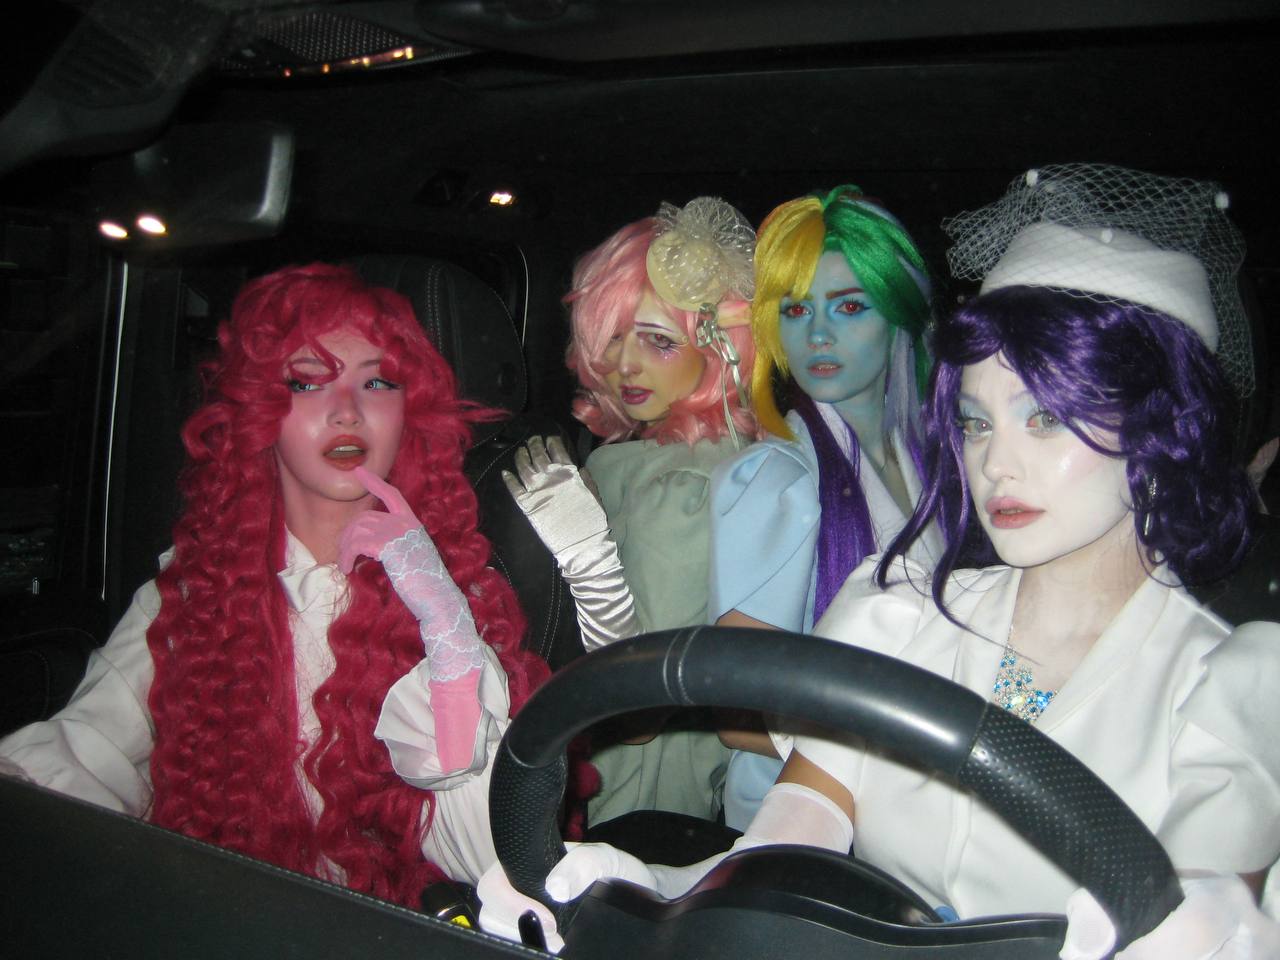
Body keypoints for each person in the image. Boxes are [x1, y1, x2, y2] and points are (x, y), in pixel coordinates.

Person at [479, 164, 1280, 957]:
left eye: (1043, 419)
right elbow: (782, 853)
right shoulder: (898, 616)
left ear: (1160, 433)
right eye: (975, 423)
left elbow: (1201, 903)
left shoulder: (1232, 688)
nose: (995, 462)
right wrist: (649, 896)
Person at [0, 263, 548, 906]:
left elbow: (496, 862)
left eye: (377, 381)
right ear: (260, 410)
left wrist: (445, 632)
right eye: (307, 383)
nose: (347, 412)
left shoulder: (453, 601)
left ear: (410, 411)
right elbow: (82, 757)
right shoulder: (198, 596)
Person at [505, 197, 760, 827]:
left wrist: (584, 554)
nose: (624, 364)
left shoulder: (685, 485)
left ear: (718, 349)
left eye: (658, 340)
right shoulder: (639, 460)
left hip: (626, 799)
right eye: (613, 336)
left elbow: (639, 709)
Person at [709, 185, 943, 830]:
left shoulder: (934, 462)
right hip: (800, 832)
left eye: (849, 306)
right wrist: (921, 752)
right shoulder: (778, 480)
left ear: (899, 316)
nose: (816, 333)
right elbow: (738, 713)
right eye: (795, 309)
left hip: (905, 822)